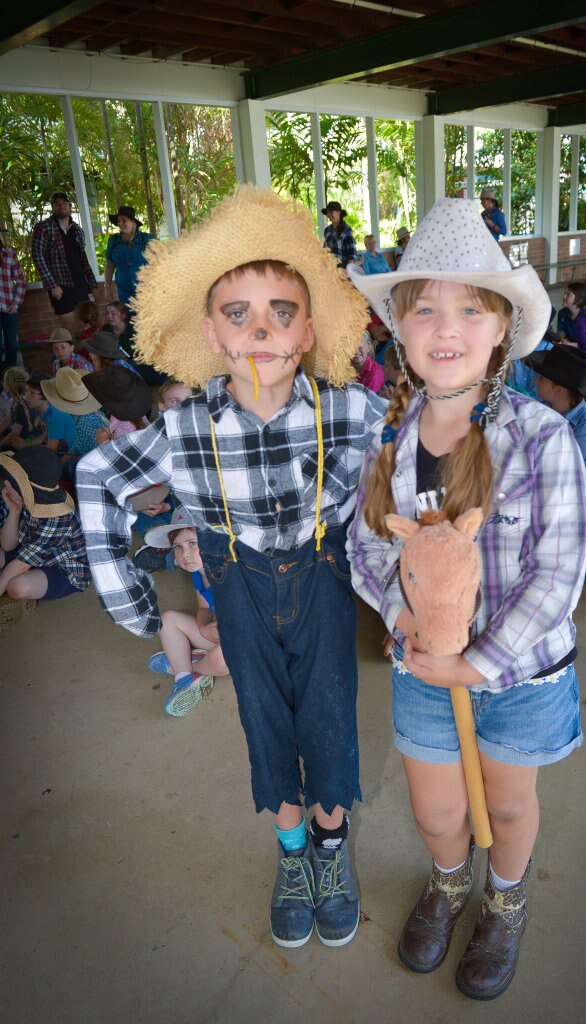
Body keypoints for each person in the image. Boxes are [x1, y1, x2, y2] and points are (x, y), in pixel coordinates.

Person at [76, 186, 386, 951]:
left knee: (329, 725)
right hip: (238, 594)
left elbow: (406, 493)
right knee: (265, 725)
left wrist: (408, 599)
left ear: (307, 328)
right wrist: (135, 607)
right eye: (237, 314)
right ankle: (289, 858)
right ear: (212, 333)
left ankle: (329, 846)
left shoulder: (351, 414)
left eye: (281, 311)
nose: (261, 330)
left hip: (322, 587)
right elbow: (95, 479)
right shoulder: (183, 426)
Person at [347, 198, 586, 1002]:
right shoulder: (384, 442)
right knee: (436, 811)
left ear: (499, 330)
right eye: (423, 310)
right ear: (399, 330)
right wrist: (404, 616)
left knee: (509, 808)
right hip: (421, 670)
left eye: (467, 309)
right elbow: (365, 547)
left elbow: (555, 577)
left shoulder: (540, 438)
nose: (443, 327)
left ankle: (505, 900)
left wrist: (475, 663)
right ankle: (449, 882)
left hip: (520, 679)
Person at [144, 508, 230, 716]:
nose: (185, 554)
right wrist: (203, 627)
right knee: (168, 620)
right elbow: (202, 608)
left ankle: (189, 667)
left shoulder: (230, 573)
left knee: (222, 657)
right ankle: (183, 677)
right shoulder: (200, 575)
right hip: (220, 637)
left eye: (193, 543)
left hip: (249, 648)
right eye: (178, 547)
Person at [0, 447, 90, 601]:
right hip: (33, 553)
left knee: (17, 587)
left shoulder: (58, 518)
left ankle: (34, 583)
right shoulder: (29, 502)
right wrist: (14, 512)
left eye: (13, 483)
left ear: (26, 490)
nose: (6, 483)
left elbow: (20, 564)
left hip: (64, 568)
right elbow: (8, 546)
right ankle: (32, 574)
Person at [526, 344, 586, 472]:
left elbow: (575, 475)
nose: (536, 381)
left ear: (559, 390)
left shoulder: (585, 431)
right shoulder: (543, 405)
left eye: (542, 378)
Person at [30, 192, 97, 332]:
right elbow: (37, 256)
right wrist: (52, 284)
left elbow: (82, 259)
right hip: (60, 286)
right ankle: (72, 354)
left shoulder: (78, 230)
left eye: (65, 203)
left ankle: (89, 354)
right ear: (53, 207)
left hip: (81, 284)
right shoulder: (43, 227)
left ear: (70, 206)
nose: (62, 206)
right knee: (69, 326)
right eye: (57, 204)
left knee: (89, 324)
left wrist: (88, 285)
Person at [82, 364, 151, 442]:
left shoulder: (124, 431)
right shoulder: (136, 412)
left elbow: (117, 453)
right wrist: (109, 429)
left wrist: (104, 441)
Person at [104, 205, 155, 310]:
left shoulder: (146, 239)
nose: (120, 224)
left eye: (124, 220)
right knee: (128, 319)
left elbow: (159, 262)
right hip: (124, 290)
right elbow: (110, 264)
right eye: (118, 221)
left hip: (145, 290)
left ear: (133, 222)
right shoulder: (114, 240)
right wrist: (107, 287)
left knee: (147, 321)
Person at [0, 225, 27, 367]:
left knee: (11, 345)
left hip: (9, 307)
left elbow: (21, 281)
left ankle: (10, 378)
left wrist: (15, 303)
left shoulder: (9, 253)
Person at [322, 201, 358, 268]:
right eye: (328, 213)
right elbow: (324, 249)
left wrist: (348, 269)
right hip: (329, 268)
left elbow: (352, 251)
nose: (329, 215)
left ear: (338, 213)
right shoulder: (327, 230)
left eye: (331, 212)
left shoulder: (346, 229)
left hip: (342, 268)